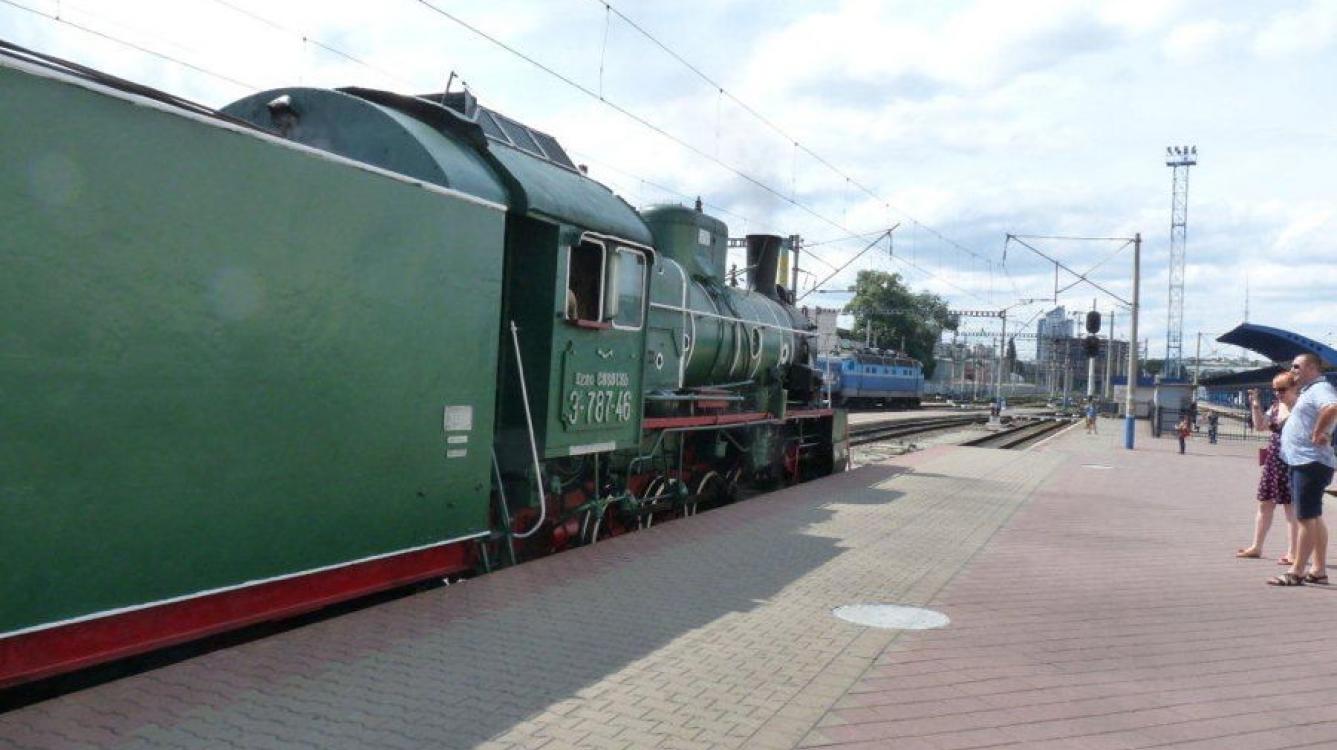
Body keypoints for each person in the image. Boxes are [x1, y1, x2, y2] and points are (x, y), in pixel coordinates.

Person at [1269, 353, 1337, 586]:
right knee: (1313, 516)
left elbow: (1332, 407)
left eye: (1296, 366)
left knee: (1305, 518)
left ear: (1311, 367)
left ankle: (1296, 571)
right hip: (1304, 461)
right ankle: (1318, 570)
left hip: (1310, 462)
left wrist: (1319, 432)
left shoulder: (1320, 389)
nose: (1293, 370)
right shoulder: (1310, 390)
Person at [1237, 374, 1299, 564]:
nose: (1278, 393)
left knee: (1291, 509)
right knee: (1264, 504)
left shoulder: (1301, 408)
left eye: (1282, 389)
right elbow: (1260, 426)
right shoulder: (1275, 406)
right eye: (1275, 390)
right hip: (1273, 461)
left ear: (1294, 388)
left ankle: (1293, 553)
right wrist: (1255, 404)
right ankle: (1256, 547)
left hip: (1291, 462)